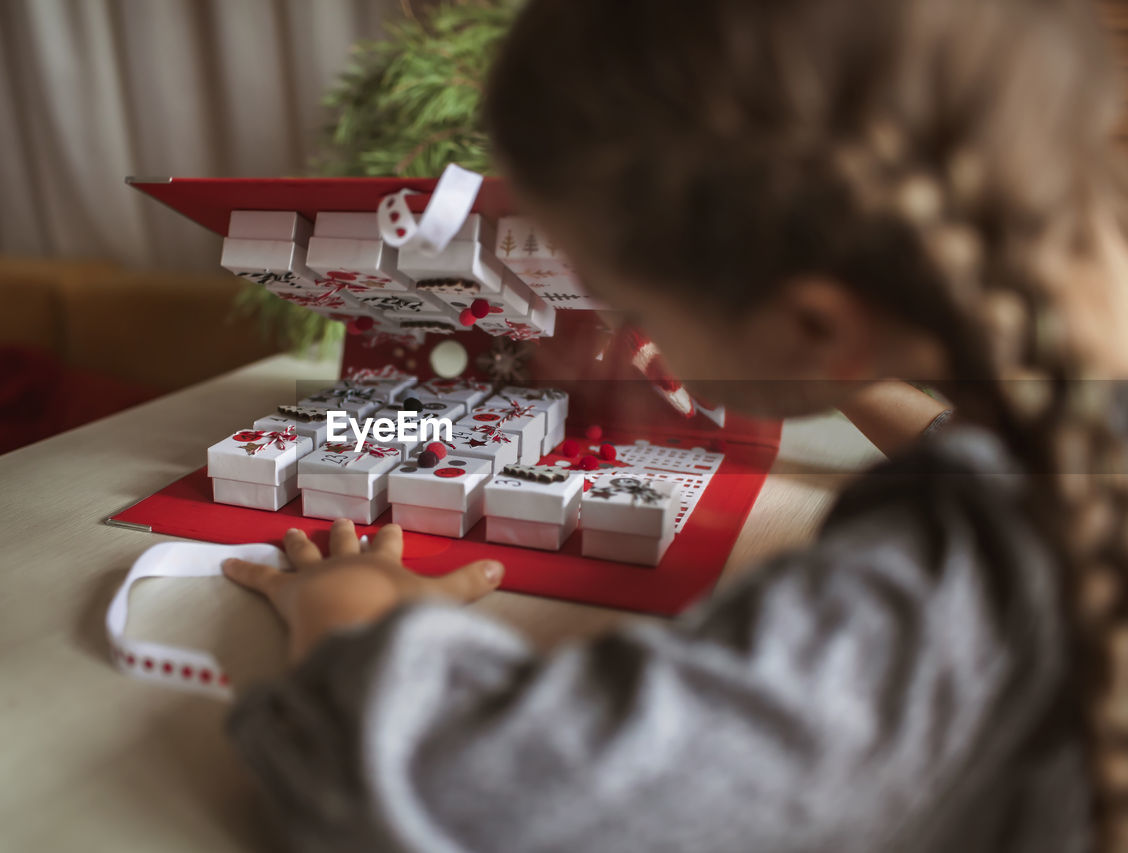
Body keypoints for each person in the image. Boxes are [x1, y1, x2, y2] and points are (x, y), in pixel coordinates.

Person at [220, 0, 1128, 849]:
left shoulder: (925, 614)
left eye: (625, 299)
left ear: (817, 322)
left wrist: (354, 613)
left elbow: (456, 786)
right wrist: (847, 377)